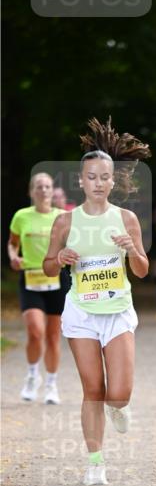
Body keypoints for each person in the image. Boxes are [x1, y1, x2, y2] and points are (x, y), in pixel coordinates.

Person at [42, 117, 151, 486]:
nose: (99, 183)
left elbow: (142, 271)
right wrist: (59, 260)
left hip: (117, 311)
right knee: (93, 389)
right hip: (82, 313)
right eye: (92, 177)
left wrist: (132, 249)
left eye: (105, 177)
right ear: (81, 180)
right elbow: (45, 266)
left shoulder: (126, 218)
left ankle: (119, 410)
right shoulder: (65, 222)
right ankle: (95, 463)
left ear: (112, 179)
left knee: (117, 394)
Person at [7, 172, 68, 403]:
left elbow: (74, 244)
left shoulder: (63, 217)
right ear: (31, 191)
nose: (43, 190)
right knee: (35, 332)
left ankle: (51, 384)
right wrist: (14, 257)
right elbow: (13, 244)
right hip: (30, 278)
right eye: (39, 187)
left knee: (53, 337)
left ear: (53, 191)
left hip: (56, 280)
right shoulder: (21, 216)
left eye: (47, 187)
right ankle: (32, 376)